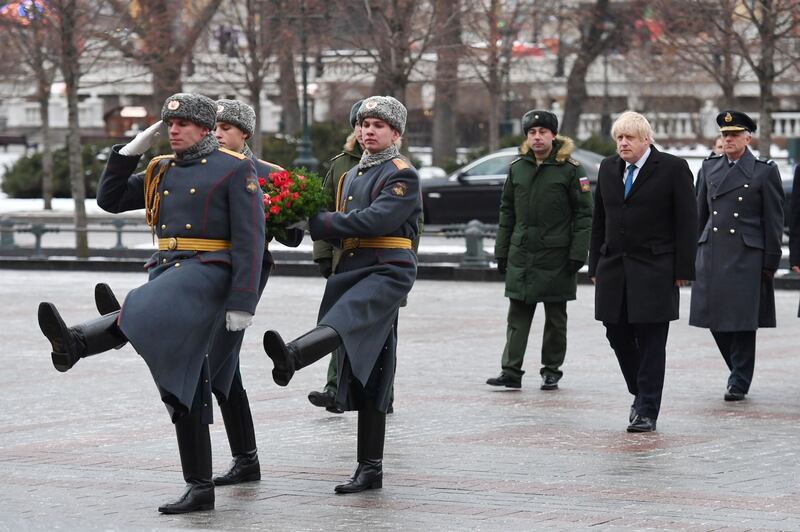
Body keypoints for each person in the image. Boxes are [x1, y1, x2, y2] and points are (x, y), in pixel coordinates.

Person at [37, 93, 265, 513]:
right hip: (169, 269)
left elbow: (251, 238)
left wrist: (243, 301)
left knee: (141, 304)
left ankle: (77, 343)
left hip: (209, 272)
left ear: (202, 128)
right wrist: (127, 153)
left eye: (182, 125)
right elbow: (110, 200)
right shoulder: (161, 168)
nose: (173, 131)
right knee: (181, 383)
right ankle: (200, 487)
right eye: (168, 125)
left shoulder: (234, 168)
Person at [262, 95, 420, 493]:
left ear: (395, 133)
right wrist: (289, 215)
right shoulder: (350, 175)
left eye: (378, 125)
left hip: (387, 269)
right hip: (352, 268)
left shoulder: (401, 173)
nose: (368, 131)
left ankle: (294, 356)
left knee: (344, 321)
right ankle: (370, 469)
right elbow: (334, 218)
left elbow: (376, 219)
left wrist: (317, 221)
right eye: (363, 124)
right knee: (372, 371)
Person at [208, 99, 303, 483]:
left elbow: (295, 235)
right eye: (214, 128)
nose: (217, 134)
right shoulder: (203, 168)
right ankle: (246, 459)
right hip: (205, 272)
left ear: (244, 133)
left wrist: (279, 210)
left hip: (245, 275)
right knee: (225, 370)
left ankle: (242, 460)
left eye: (226, 129)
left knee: (218, 364)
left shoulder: (267, 172)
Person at [588, 111, 696, 433]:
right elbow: (599, 220)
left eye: (629, 138)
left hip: (655, 269)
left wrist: (683, 269)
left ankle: (647, 409)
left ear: (645, 139)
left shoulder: (673, 169)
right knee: (616, 332)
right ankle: (641, 391)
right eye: (619, 138)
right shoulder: (608, 168)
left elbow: (687, 222)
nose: (622, 143)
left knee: (651, 340)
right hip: (613, 269)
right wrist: (594, 263)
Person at [487, 109, 593, 390]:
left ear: (553, 135)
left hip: (557, 255)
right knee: (517, 315)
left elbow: (584, 215)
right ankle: (511, 370)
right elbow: (506, 211)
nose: (537, 137)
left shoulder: (570, 169)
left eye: (542, 132)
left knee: (555, 319)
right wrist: (502, 250)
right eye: (532, 133)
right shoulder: (517, 167)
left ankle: (551, 369)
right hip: (522, 254)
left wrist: (577, 253)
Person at [689, 110, 784, 402]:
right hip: (713, 251)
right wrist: (693, 253)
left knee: (742, 321)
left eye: (734, 135)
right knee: (713, 320)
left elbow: (773, 218)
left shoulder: (764, 170)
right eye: (724, 135)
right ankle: (737, 370)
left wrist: (770, 260)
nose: (728, 139)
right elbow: (699, 215)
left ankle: (739, 379)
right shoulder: (708, 168)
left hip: (747, 255)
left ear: (748, 138)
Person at [307, 100, 364, 414]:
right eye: (358, 123)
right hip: (344, 260)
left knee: (381, 333)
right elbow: (323, 208)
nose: (363, 130)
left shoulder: (399, 167)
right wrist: (323, 256)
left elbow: (416, 222)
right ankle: (335, 390)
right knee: (338, 325)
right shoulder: (340, 164)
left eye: (370, 123)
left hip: (383, 262)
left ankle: (382, 394)